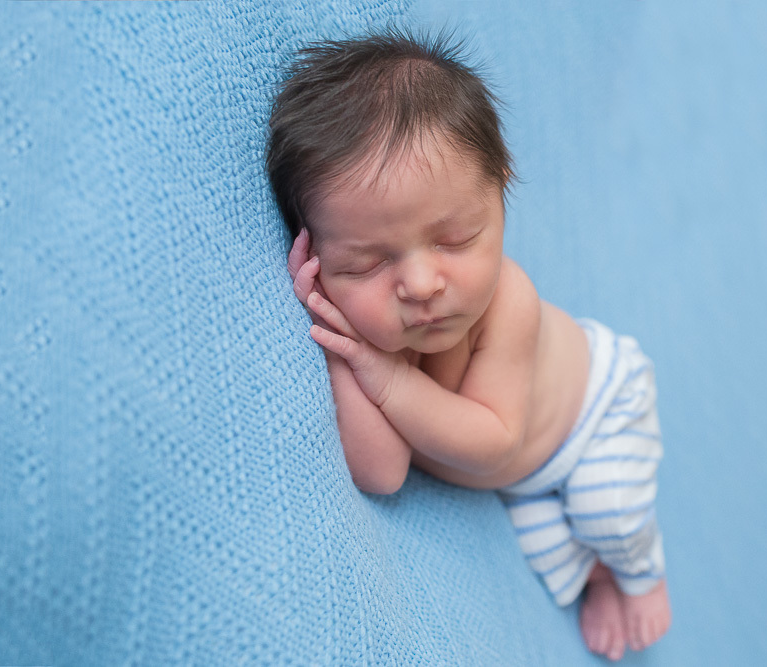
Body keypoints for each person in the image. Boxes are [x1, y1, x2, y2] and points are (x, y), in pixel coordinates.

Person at [265, 29, 671, 660]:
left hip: (596, 411)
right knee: (549, 555)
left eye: (453, 240)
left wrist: (391, 381)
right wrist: (340, 344)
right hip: (520, 480)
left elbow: (493, 438)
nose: (421, 286)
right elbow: (381, 471)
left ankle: (643, 574)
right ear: (317, 260)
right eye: (365, 265)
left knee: (606, 509)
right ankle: (598, 574)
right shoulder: (379, 333)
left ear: (501, 186)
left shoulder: (510, 303)